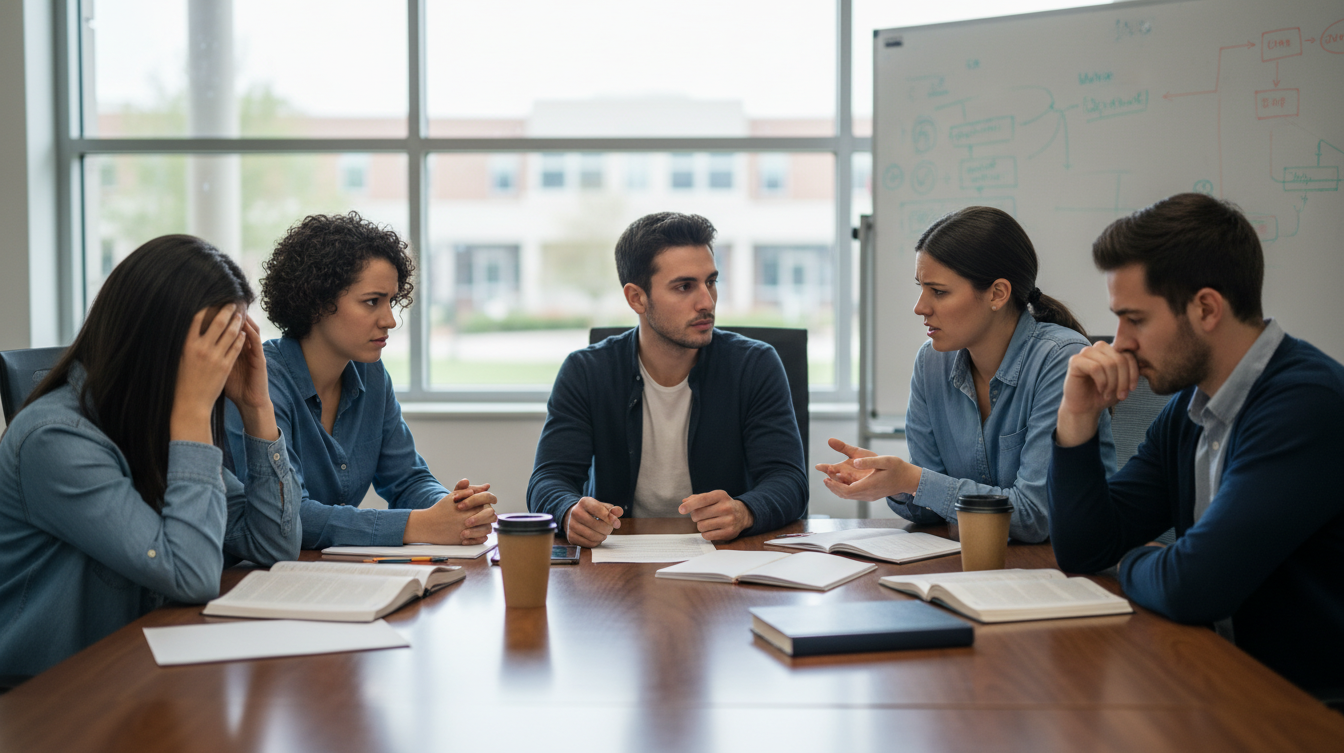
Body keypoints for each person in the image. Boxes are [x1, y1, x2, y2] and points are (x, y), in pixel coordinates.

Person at [1049, 193, 1344, 700]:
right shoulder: (1192, 407)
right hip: (1225, 681)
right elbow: (1084, 548)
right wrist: (1076, 416)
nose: (1119, 342)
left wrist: (1133, 562)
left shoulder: (1305, 404)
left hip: (1306, 710)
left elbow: (1193, 587)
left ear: (1206, 308)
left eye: (1135, 319)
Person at [0, 236, 301, 677]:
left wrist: (257, 409)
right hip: (48, 699)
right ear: (159, 341)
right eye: (214, 350)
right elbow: (191, 575)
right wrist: (195, 411)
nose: (224, 364)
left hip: (132, 667)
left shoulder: (154, 419)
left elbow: (273, 543)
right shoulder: (56, 440)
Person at [816, 206, 1115, 543]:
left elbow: (1035, 517)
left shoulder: (1061, 360)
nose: (920, 307)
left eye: (939, 292)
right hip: (972, 570)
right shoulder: (931, 363)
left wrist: (913, 481)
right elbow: (929, 511)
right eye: (921, 288)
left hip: (1058, 569)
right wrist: (894, 482)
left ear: (997, 294)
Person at [527, 212, 808, 548]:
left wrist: (746, 511)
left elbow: (789, 480)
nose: (707, 301)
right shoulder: (586, 371)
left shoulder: (754, 365)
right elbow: (548, 480)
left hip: (723, 558)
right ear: (637, 298)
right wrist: (568, 510)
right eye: (684, 286)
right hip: (617, 559)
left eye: (711, 282)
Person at [225, 212, 497, 550]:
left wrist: (456, 510)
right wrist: (418, 525)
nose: (390, 320)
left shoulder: (371, 374)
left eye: (391, 301)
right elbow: (288, 517)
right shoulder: (258, 382)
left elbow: (407, 479)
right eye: (372, 302)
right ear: (318, 302)